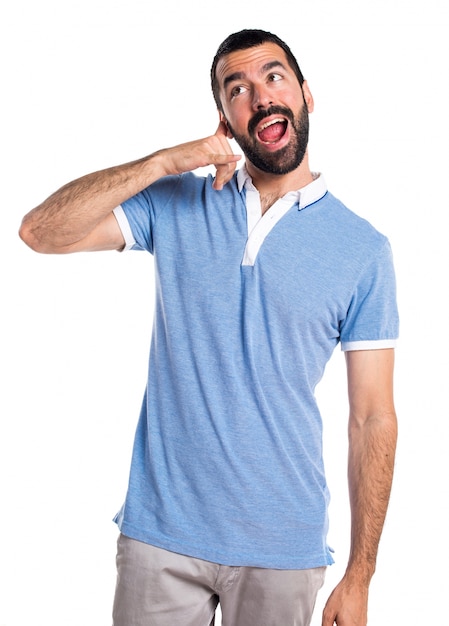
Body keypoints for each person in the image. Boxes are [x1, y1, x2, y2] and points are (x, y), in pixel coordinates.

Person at [19, 29, 399, 626]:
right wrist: (165, 162)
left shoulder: (363, 250)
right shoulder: (173, 202)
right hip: (162, 534)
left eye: (274, 77)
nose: (261, 96)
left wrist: (361, 574)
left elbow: (372, 416)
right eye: (238, 89)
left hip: (283, 546)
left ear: (305, 94)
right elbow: (41, 232)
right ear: (225, 118)